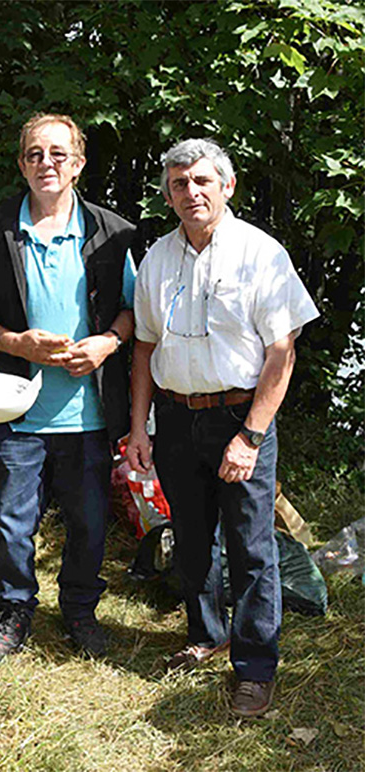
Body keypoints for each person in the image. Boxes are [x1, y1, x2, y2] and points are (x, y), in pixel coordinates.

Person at [127, 138, 319, 718]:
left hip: (240, 415)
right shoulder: (157, 257)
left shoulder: (261, 254)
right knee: (190, 538)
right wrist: (139, 428)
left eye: (203, 182)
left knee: (250, 546)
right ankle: (206, 634)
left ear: (226, 186)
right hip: (177, 417)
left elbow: (282, 351)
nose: (192, 193)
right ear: (168, 194)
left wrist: (252, 435)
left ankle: (256, 667)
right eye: (180, 184)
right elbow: (142, 348)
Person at [0, 113, 137, 667]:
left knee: (88, 524)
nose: (47, 163)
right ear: (22, 164)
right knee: (11, 524)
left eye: (59, 154)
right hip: (18, 409)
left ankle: (80, 613)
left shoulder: (112, 233)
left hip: (88, 415)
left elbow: (136, 310)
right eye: (35, 154)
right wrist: (16, 341)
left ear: (79, 164)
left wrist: (108, 342)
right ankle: (13, 613)